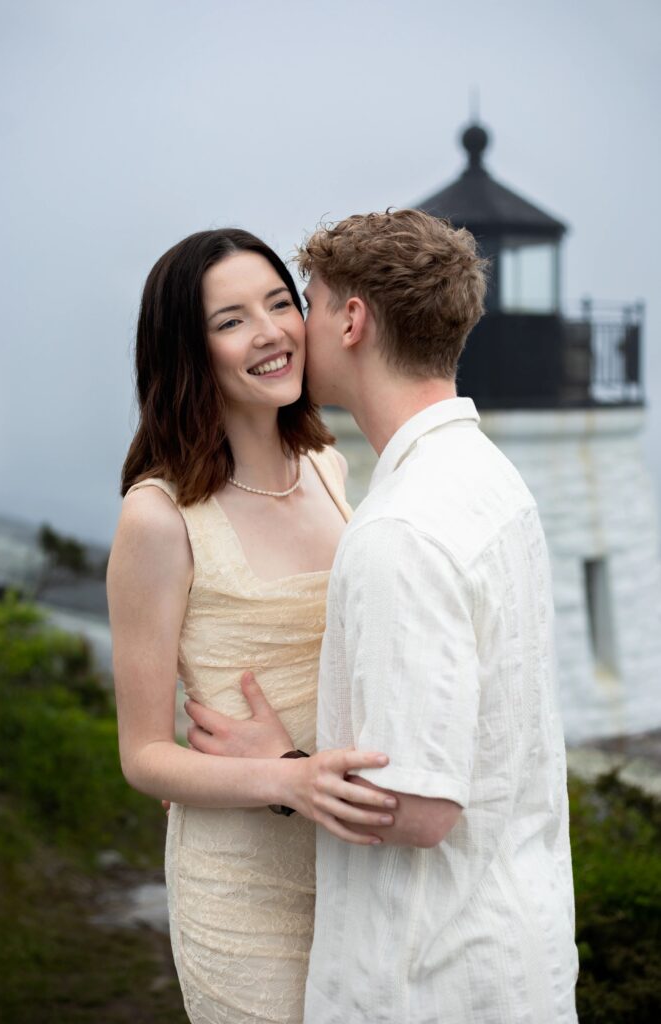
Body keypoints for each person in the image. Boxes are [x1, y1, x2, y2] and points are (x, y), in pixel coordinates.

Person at [186, 210, 579, 1022]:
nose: (292, 328)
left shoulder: (401, 527)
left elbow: (421, 809)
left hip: (427, 976)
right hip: (513, 949)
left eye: (306, 301)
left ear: (353, 320)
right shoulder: (487, 477)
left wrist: (282, 768)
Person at [106, 227, 397, 1024]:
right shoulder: (159, 517)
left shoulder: (329, 467)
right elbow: (144, 755)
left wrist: (307, 774)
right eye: (230, 320)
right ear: (185, 351)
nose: (270, 332)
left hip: (355, 865)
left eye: (279, 303)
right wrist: (285, 778)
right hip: (242, 888)